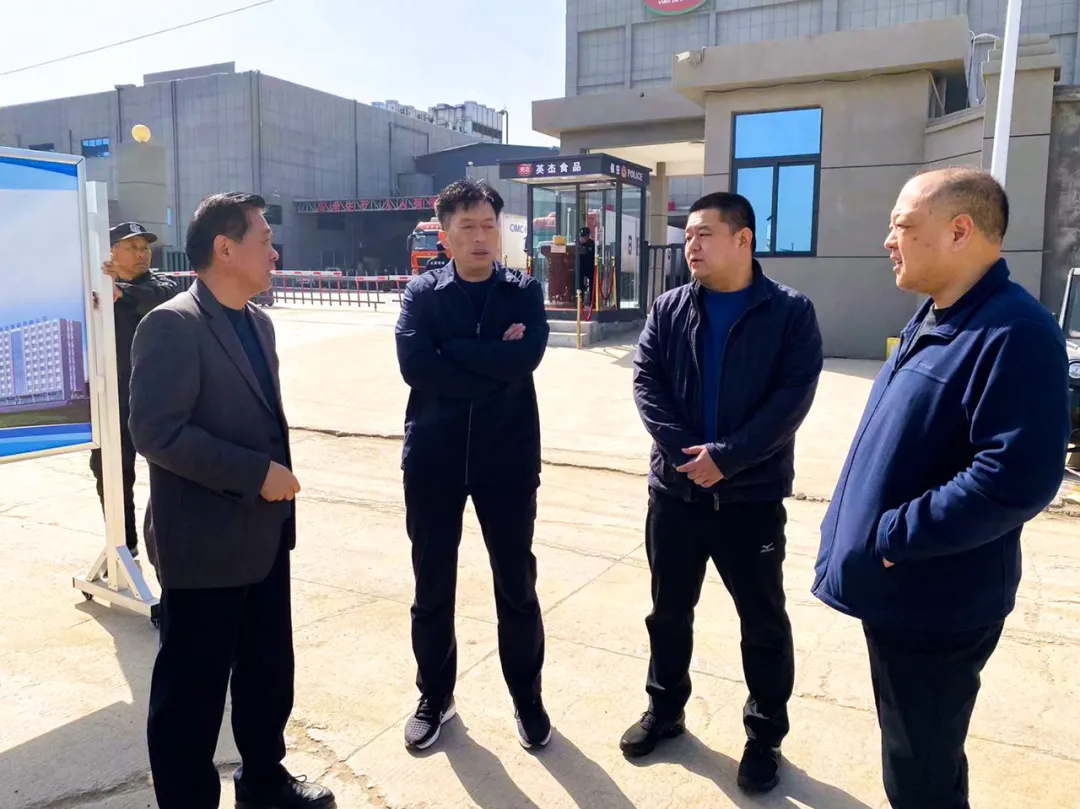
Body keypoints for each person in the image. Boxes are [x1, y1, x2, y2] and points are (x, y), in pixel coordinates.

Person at [813, 167, 1070, 809]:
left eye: (902, 226)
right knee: (913, 755)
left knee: (920, 772)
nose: (888, 241)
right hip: (902, 589)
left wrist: (894, 536)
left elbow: (1016, 477)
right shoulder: (938, 316)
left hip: (935, 601)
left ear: (959, 231)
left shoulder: (1013, 332)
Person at [129, 193, 334, 809]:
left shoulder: (258, 322)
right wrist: (255, 474)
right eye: (264, 239)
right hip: (204, 544)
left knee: (267, 670)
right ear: (224, 247)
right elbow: (156, 433)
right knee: (191, 694)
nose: (274, 252)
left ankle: (264, 781)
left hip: (265, 534)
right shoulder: (172, 324)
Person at [625, 192, 823, 794]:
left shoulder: (789, 312)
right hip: (676, 495)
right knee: (667, 612)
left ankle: (764, 737)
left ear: (743, 239)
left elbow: (791, 400)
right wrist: (689, 457)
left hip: (750, 500)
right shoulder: (669, 308)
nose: (692, 246)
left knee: (762, 622)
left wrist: (728, 458)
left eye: (704, 234)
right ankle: (665, 709)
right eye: (688, 235)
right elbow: (646, 382)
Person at [395, 179, 551, 752]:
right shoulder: (422, 293)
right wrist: (493, 361)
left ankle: (527, 696)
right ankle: (435, 696)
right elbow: (416, 367)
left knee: (516, 584)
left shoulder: (523, 292)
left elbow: (527, 355)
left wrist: (455, 350)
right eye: (468, 226)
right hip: (433, 460)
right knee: (432, 585)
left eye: (489, 224)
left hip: (507, 458)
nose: (481, 236)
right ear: (446, 235)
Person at [88, 222, 178, 558]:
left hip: (158, 398)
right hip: (113, 398)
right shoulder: (95, 288)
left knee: (172, 470)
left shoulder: (161, 285)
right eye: (132, 247)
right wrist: (104, 289)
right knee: (110, 471)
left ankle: (169, 542)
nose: (142, 254)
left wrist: (119, 292)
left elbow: (157, 297)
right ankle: (124, 544)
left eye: (145, 247)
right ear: (111, 253)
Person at [575, 226, 596, 304]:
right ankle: (580, 301)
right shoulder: (577, 244)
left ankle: (592, 301)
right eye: (581, 237)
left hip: (590, 267)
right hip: (581, 267)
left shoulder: (592, 244)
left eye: (584, 237)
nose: (582, 239)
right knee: (579, 283)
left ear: (588, 236)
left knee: (592, 284)